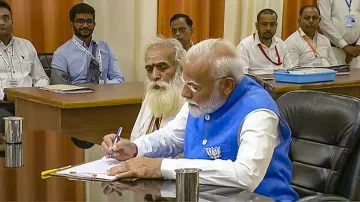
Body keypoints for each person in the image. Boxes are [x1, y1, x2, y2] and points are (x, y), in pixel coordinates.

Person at [101, 39, 299, 201]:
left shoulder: (258, 112)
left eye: (194, 86)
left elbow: (246, 175)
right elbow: (171, 137)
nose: (185, 93)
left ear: (227, 85)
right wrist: (135, 148)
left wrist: (160, 167)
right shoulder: (204, 97)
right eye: (185, 83)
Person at [51, 3, 124, 84]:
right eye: (80, 21)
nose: (85, 25)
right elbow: (58, 88)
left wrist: (104, 88)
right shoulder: (61, 53)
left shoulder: (105, 47)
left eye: (89, 21)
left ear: (94, 24)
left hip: (103, 94)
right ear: (71, 24)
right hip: (75, 95)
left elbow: (118, 78)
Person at [131, 37, 186, 141]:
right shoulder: (153, 94)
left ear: (180, 68)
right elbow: (136, 137)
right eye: (149, 69)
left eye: (162, 67)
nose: (154, 76)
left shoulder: (190, 102)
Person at [0, 1, 49, 100]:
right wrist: (5, 97)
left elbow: (42, 78)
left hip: (29, 102)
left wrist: (33, 95)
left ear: (12, 21)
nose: (1, 23)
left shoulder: (27, 45)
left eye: (6, 18)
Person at [236, 9, 293, 75]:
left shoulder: (281, 44)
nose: (268, 28)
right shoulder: (245, 46)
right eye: (264, 24)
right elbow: (242, 75)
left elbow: (289, 70)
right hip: (256, 84)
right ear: (257, 26)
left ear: (276, 26)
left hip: (281, 84)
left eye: (272, 24)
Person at [319, 0, 360, 67]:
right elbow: (324, 23)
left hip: (356, 52)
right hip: (335, 50)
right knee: (337, 76)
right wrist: (344, 46)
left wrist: (358, 46)